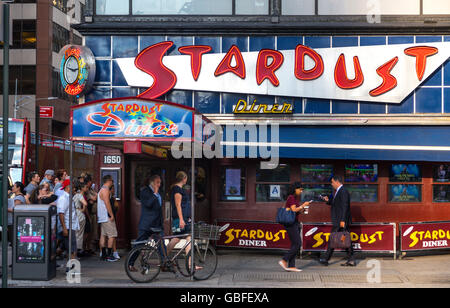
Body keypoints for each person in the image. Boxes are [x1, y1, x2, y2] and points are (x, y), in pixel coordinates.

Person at [128, 174, 166, 272]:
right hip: (147, 224)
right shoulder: (145, 191)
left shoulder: (159, 192)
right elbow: (148, 204)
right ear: (152, 182)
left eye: (160, 183)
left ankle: (164, 264)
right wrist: (155, 193)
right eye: (158, 182)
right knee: (139, 245)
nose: (159, 185)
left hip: (157, 224)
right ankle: (130, 264)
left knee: (161, 244)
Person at [166, 171, 201, 271]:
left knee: (176, 239)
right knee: (189, 238)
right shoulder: (177, 189)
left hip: (182, 219)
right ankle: (190, 265)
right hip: (181, 219)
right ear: (184, 178)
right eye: (186, 178)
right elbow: (178, 205)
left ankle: (163, 258)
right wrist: (181, 219)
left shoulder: (178, 189)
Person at [319, 175, 355, 267]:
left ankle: (326, 259)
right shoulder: (337, 192)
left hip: (340, 220)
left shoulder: (343, 191)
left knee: (334, 237)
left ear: (337, 182)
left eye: (332, 182)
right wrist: (327, 200)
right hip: (338, 219)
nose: (331, 184)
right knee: (345, 238)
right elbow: (334, 203)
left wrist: (343, 220)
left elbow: (345, 206)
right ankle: (351, 259)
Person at [278, 182, 311, 272]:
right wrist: (303, 205)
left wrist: (302, 209)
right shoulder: (291, 198)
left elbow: (296, 211)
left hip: (294, 223)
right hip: (291, 224)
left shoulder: (293, 198)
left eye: (302, 190)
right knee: (298, 244)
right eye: (300, 189)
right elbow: (293, 209)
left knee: (294, 244)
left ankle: (291, 266)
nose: (301, 191)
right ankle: (284, 260)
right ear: (295, 189)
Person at [57, 179, 79, 260]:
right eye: (73, 187)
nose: (74, 189)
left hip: (71, 226)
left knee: (67, 248)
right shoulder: (64, 198)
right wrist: (64, 228)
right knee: (72, 249)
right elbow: (61, 213)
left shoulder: (69, 197)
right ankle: (71, 267)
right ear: (68, 187)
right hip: (68, 226)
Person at [97, 175, 118, 262]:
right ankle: (109, 255)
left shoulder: (101, 190)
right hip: (106, 216)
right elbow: (107, 203)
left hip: (102, 217)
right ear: (109, 181)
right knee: (112, 235)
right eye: (112, 181)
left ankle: (103, 255)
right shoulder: (105, 190)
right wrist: (111, 215)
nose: (112, 182)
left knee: (103, 235)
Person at [73, 181, 89, 258]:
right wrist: (83, 209)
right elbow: (85, 203)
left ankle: (75, 251)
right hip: (80, 214)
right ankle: (78, 250)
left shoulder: (73, 195)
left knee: (75, 233)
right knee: (79, 234)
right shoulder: (79, 195)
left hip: (74, 214)